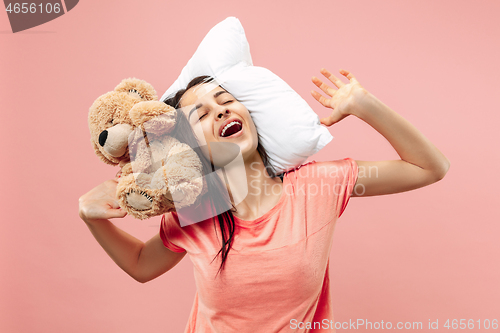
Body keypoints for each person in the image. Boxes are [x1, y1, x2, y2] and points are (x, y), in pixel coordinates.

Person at [78, 68, 450, 332]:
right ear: (194, 148)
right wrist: (92, 217)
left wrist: (364, 105)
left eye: (226, 101)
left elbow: (428, 168)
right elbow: (143, 264)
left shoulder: (316, 185)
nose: (221, 110)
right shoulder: (197, 209)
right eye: (202, 114)